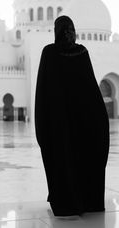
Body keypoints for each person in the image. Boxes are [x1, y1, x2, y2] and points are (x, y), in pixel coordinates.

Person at [35, 15, 110, 217]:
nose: (70, 34)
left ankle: (68, 200)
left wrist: (43, 121)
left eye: (71, 30)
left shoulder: (51, 53)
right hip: (78, 122)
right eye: (67, 30)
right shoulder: (78, 52)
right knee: (77, 157)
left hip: (62, 123)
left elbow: (43, 92)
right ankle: (85, 200)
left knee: (65, 158)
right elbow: (91, 90)